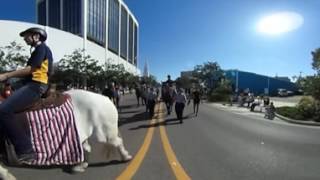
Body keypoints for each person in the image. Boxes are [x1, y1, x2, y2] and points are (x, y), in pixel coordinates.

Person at [0, 27, 53, 163]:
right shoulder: (38, 50)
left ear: (36, 36)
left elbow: (31, 70)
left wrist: (6, 75)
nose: (24, 38)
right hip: (31, 84)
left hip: (36, 86)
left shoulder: (41, 49)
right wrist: (11, 83)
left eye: (26, 36)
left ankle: (26, 150)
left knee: (4, 110)